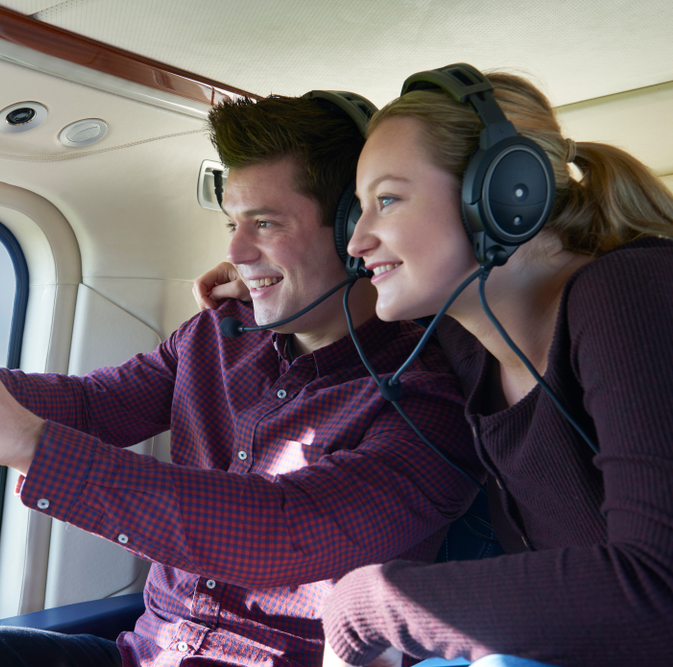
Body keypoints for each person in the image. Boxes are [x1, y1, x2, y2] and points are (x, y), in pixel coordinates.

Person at [0, 94, 481, 667]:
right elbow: (96, 406)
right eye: (231, 222)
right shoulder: (215, 334)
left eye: (265, 222)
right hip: (144, 652)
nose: (235, 252)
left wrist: (31, 445)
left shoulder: (430, 402)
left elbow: (284, 530)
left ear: (351, 233)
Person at [196, 67, 673, 667]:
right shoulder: (464, 338)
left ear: (506, 193)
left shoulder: (633, 295)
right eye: (357, 211)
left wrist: (365, 604)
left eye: (388, 200)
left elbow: (659, 589)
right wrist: (261, 274)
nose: (356, 240)